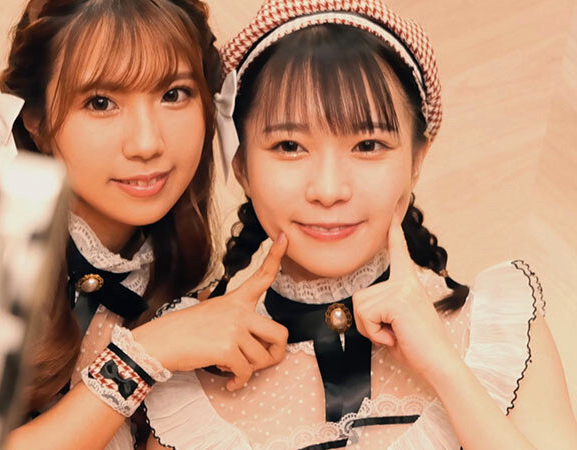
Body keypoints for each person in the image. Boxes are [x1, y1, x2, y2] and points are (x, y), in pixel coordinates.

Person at [144, 0, 577, 448]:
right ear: (241, 166)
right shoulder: (191, 374)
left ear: (417, 160)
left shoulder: (496, 332)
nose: (329, 189)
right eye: (290, 146)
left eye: (368, 145)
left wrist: (444, 365)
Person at [0, 1, 290, 448]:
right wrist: (146, 354)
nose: (147, 143)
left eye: (174, 94)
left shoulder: (186, 283)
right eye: (101, 102)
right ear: (35, 120)